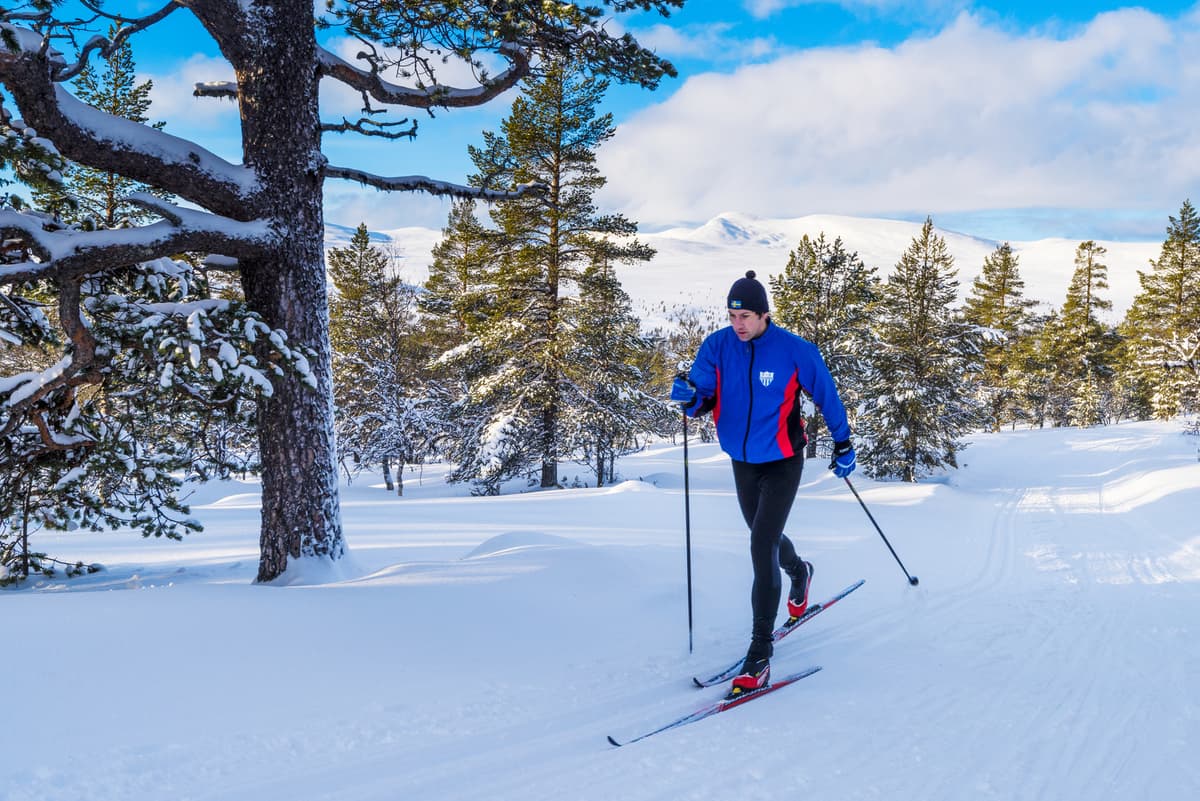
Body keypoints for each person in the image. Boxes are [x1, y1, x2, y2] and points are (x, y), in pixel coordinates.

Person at [670, 270, 856, 695]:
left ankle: (760, 654)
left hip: (784, 459)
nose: (738, 324)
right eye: (732, 315)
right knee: (762, 534)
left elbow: (826, 393)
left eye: (746, 316)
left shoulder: (794, 351)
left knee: (760, 545)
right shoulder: (717, 346)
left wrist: (843, 443)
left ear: (764, 315)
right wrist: (689, 396)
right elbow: (703, 394)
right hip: (743, 460)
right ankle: (800, 571)